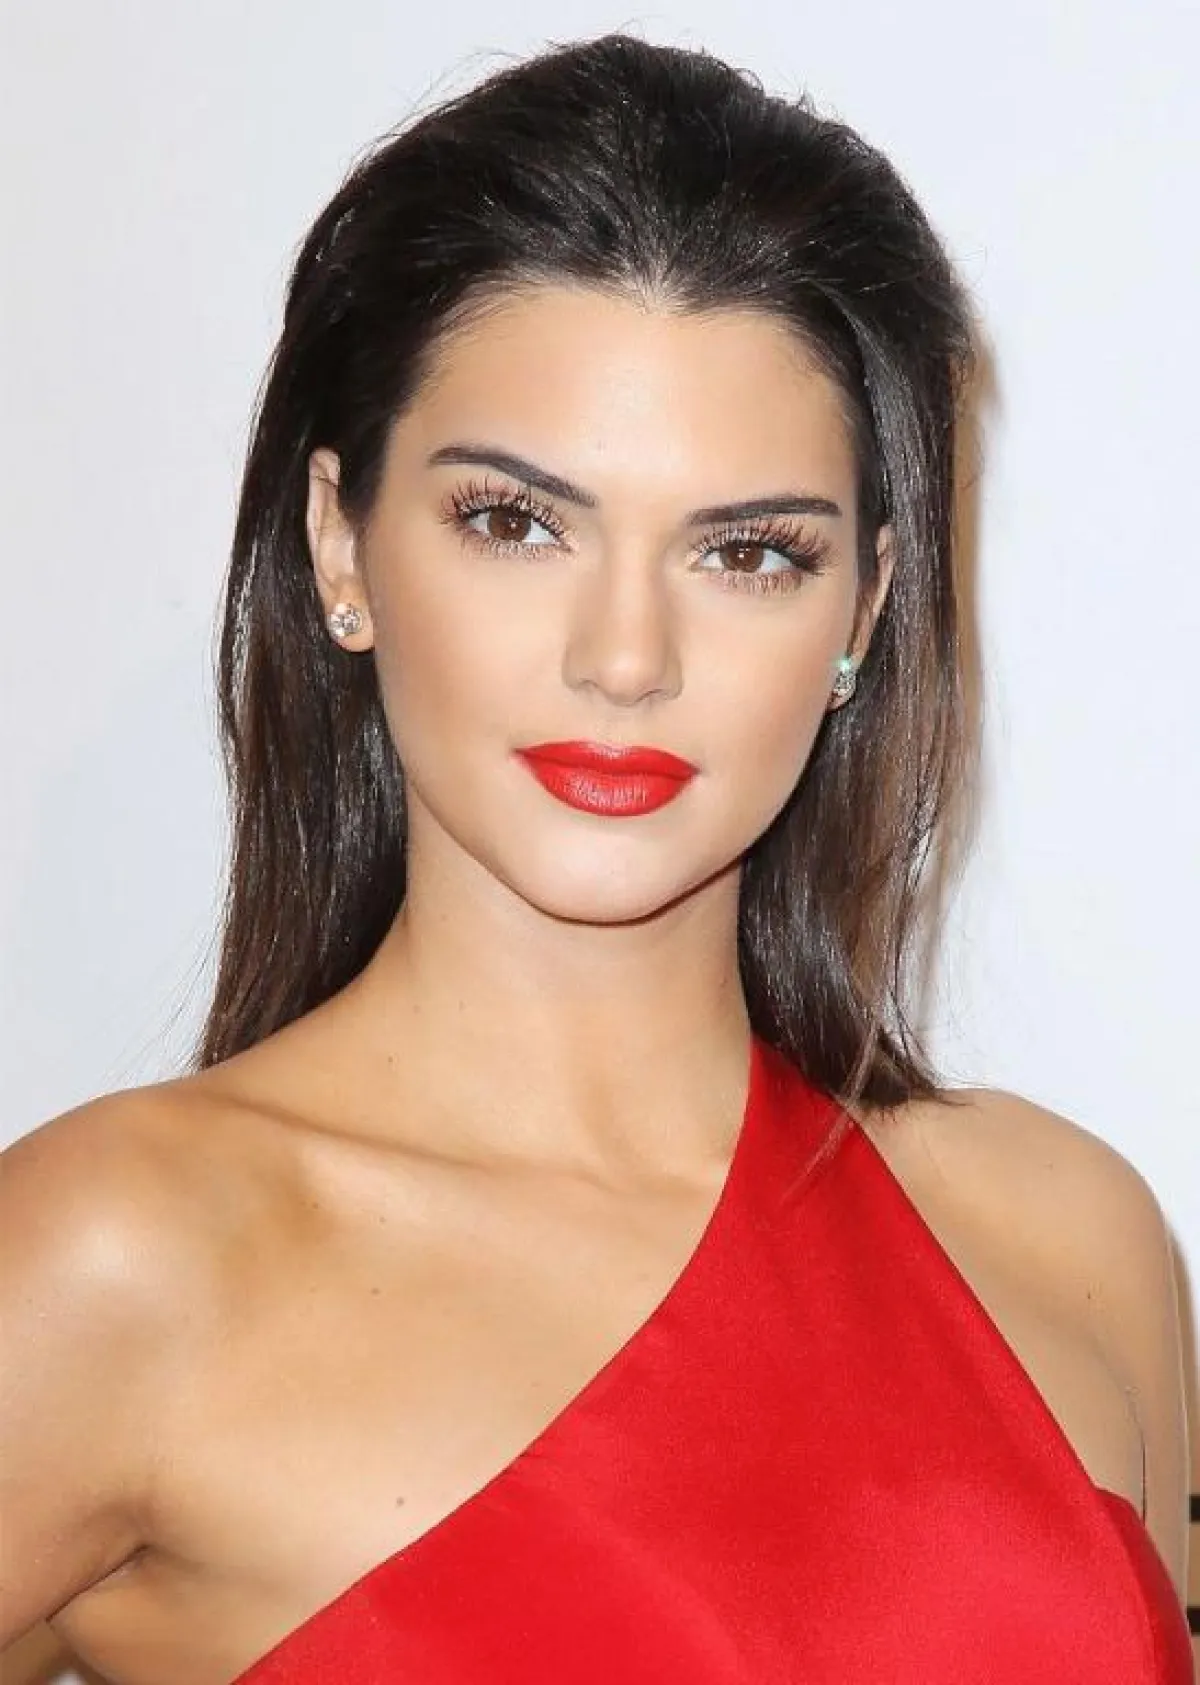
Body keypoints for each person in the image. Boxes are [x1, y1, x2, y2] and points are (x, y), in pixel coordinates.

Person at [0, 30, 1190, 1685]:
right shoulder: (109, 1268)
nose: (624, 658)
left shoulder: (1071, 1241)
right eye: (515, 522)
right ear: (341, 544)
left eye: (749, 553)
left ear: (863, 605)